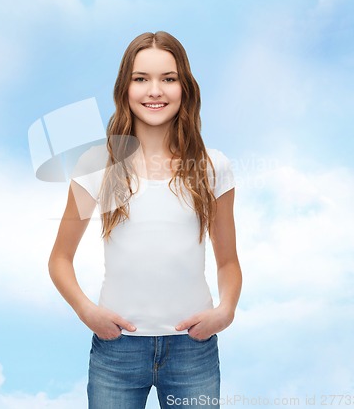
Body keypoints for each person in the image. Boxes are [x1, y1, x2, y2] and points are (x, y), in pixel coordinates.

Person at [48, 31, 242, 409]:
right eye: (142, 79)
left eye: (168, 79)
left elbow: (228, 261)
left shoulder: (213, 166)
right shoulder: (96, 164)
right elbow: (59, 259)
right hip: (116, 350)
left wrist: (226, 311)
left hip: (193, 350)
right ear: (125, 88)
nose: (155, 90)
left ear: (185, 87)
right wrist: (87, 311)